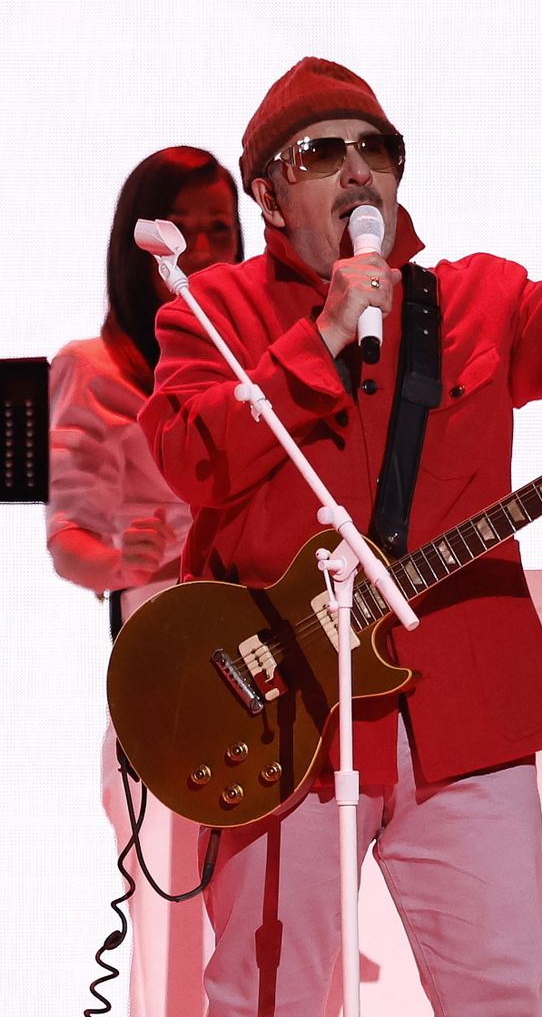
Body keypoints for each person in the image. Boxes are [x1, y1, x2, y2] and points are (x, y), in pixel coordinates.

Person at [138, 49, 542, 1015]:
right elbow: (192, 458)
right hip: (288, 724)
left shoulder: (474, 300)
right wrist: (319, 337)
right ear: (271, 197)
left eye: (378, 149)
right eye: (321, 153)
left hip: (465, 714)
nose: (357, 169)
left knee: (504, 998)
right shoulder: (216, 313)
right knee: (269, 998)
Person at [47, 145, 243, 1017]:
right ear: (140, 244)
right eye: (184, 229)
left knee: (271, 919)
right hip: (163, 669)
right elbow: (70, 541)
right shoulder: (93, 368)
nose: (204, 250)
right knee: (173, 922)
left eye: (222, 230)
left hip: (276, 656)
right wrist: (138, 558)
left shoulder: (270, 364)